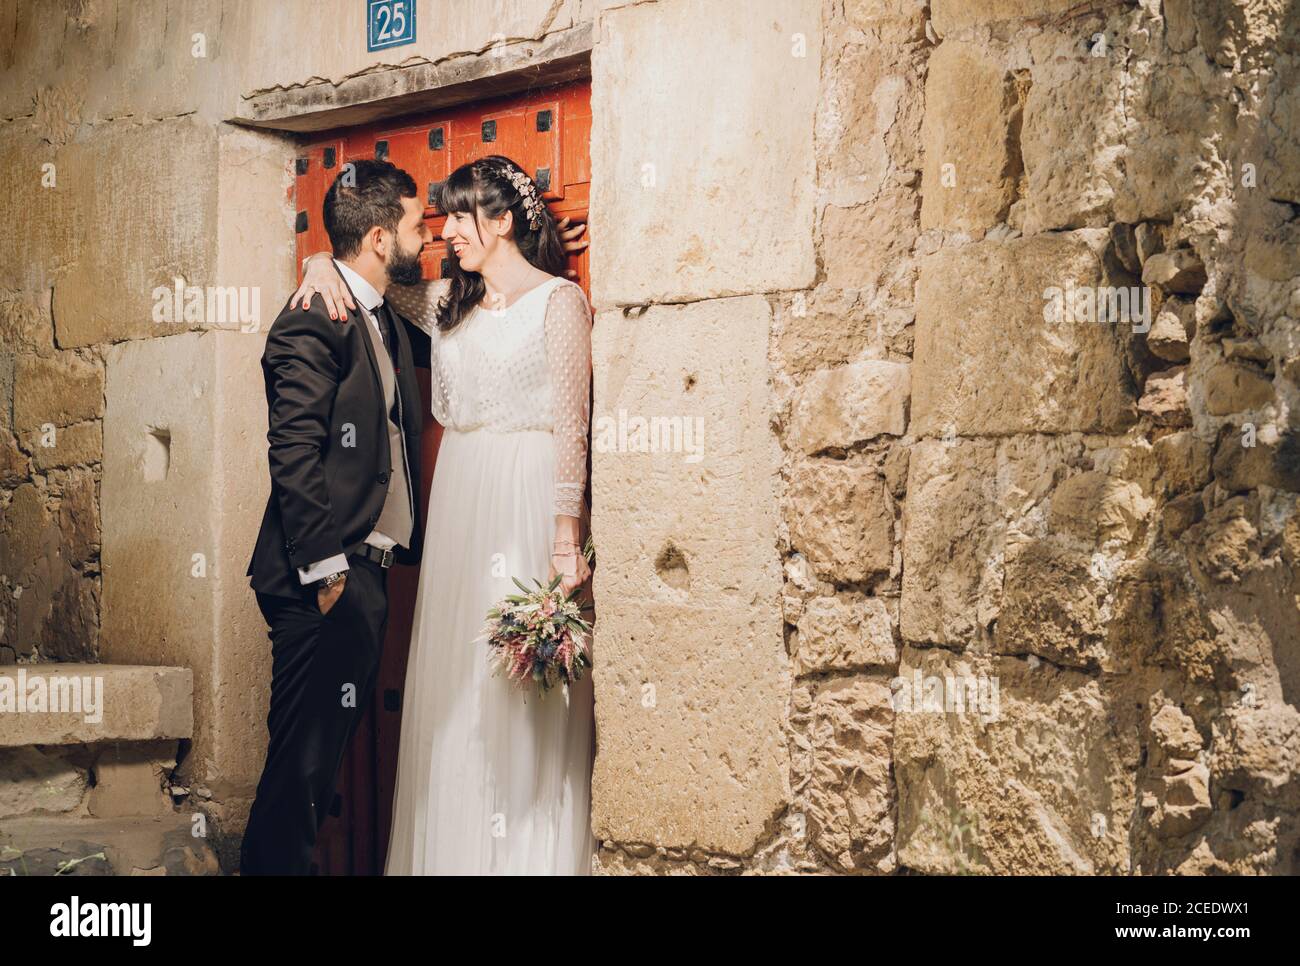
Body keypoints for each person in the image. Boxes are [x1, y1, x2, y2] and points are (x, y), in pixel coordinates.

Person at [293, 154, 596, 874]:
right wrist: (314, 262)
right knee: (456, 691)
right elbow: (362, 277)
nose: (444, 232)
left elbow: (572, 427)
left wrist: (565, 538)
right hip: (459, 502)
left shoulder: (559, 302)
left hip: (526, 497)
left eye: (459, 216)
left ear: (502, 220)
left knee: (519, 685)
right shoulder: (442, 304)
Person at [242, 158, 431, 875]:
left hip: (366, 575)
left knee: (312, 775)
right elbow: (291, 451)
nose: (427, 240)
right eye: (417, 226)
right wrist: (328, 575)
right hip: (323, 579)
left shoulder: (382, 315)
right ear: (381, 238)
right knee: (298, 773)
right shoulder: (310, 319)